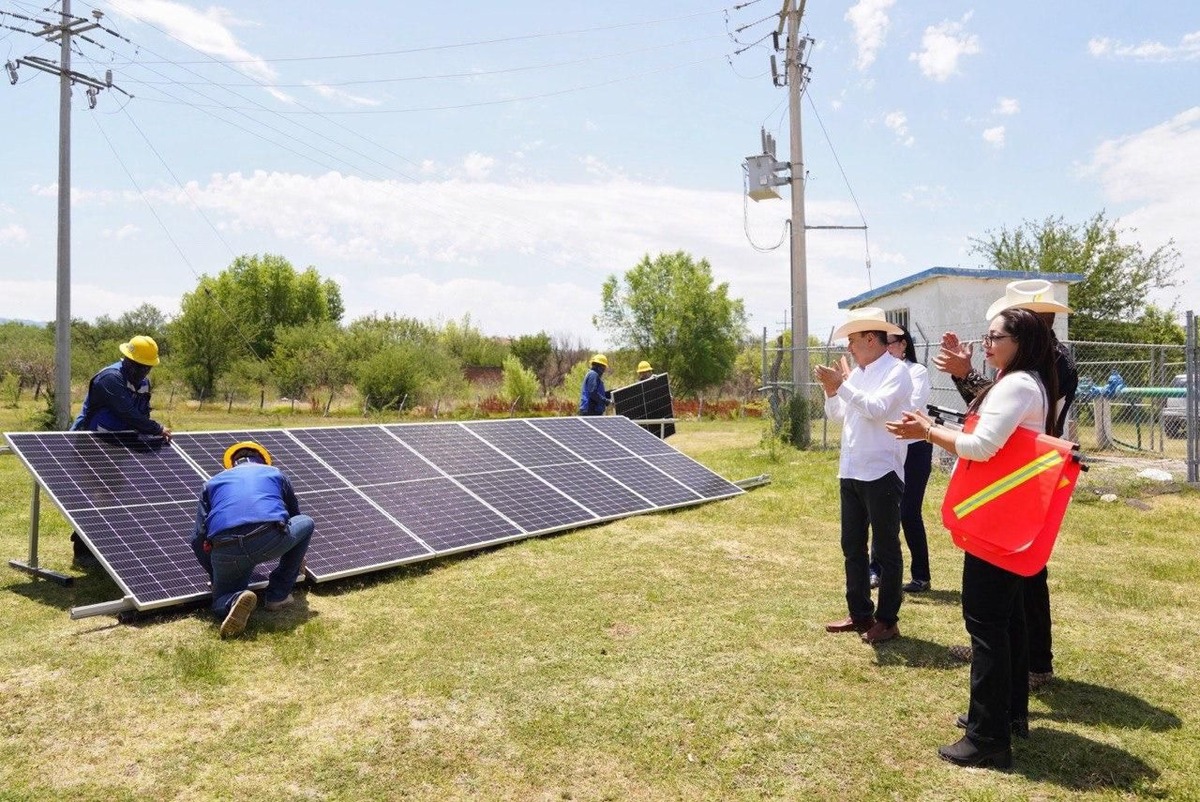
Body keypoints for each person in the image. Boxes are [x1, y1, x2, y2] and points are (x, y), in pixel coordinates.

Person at [888, 307, 1059, 769]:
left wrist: (926, 430)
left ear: (1019, 342)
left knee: (985, 624)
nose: (986, 344)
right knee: (1009, 622)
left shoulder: (1017, 385)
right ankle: (1007, 716)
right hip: (1011, 517)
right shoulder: (1027, 383)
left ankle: (988, 738)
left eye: (994, 337)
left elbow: (981, 446)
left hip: (997, 519)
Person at [934, 279, 1077, 690]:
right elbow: (991, 409)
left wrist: (968, 375)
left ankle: (1034, 662)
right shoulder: (1028, 366)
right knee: (1010, 574)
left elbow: (1001, 416)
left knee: (1026, 570)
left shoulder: (1052, 362)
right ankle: (1006, 653)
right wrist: (969, 375)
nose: (993, 337)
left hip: (1029, 476)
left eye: (1001, 330)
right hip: (1014, 472)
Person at [813, 307, 912, 645]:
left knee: (886, 549)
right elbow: (838, 414)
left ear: (871, 339)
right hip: (852, 470)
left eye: (853, 340)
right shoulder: (857, 373)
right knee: (852, 545)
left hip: (882, 471)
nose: (850, 348)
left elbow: (875, 409)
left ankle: (887, 620)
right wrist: (831, 390)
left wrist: (842, 385)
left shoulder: (897, 372)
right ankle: (860, 614)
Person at [191, 441, 314, 638]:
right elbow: (293, 516)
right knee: (306, 523)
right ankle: (278, 596)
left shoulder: (211, 483)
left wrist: (214, 574)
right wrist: (297, 557)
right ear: (264, 461)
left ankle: (234, 599)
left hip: (226, 548)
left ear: (231, 464)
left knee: (220, 598)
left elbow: (198, 538)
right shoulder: (275, 473)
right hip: (268, 538)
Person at [70, 335, 172, 565]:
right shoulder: (110, 378)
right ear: (127, 360)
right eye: (139, 366)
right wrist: (157, 428)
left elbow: (142, 413)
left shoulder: (144, 384)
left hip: (119, 444)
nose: (143, 371)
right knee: (96, 496)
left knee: (113, 494)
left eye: (147, 367)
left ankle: (103, 543)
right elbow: (127, 412)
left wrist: (147, 435)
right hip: (93, 442)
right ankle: (82, 551)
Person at [869, 325, 933, 593]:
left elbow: (909, 408)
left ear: (904, 344)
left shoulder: (916, 372)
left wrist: (879, 408)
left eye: (891, 342)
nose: (887, 348)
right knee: (880, 509)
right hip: (889, 446)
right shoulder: (879, 372)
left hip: (915, 448)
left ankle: (921, 575)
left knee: (908, 512)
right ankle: (876, 569)